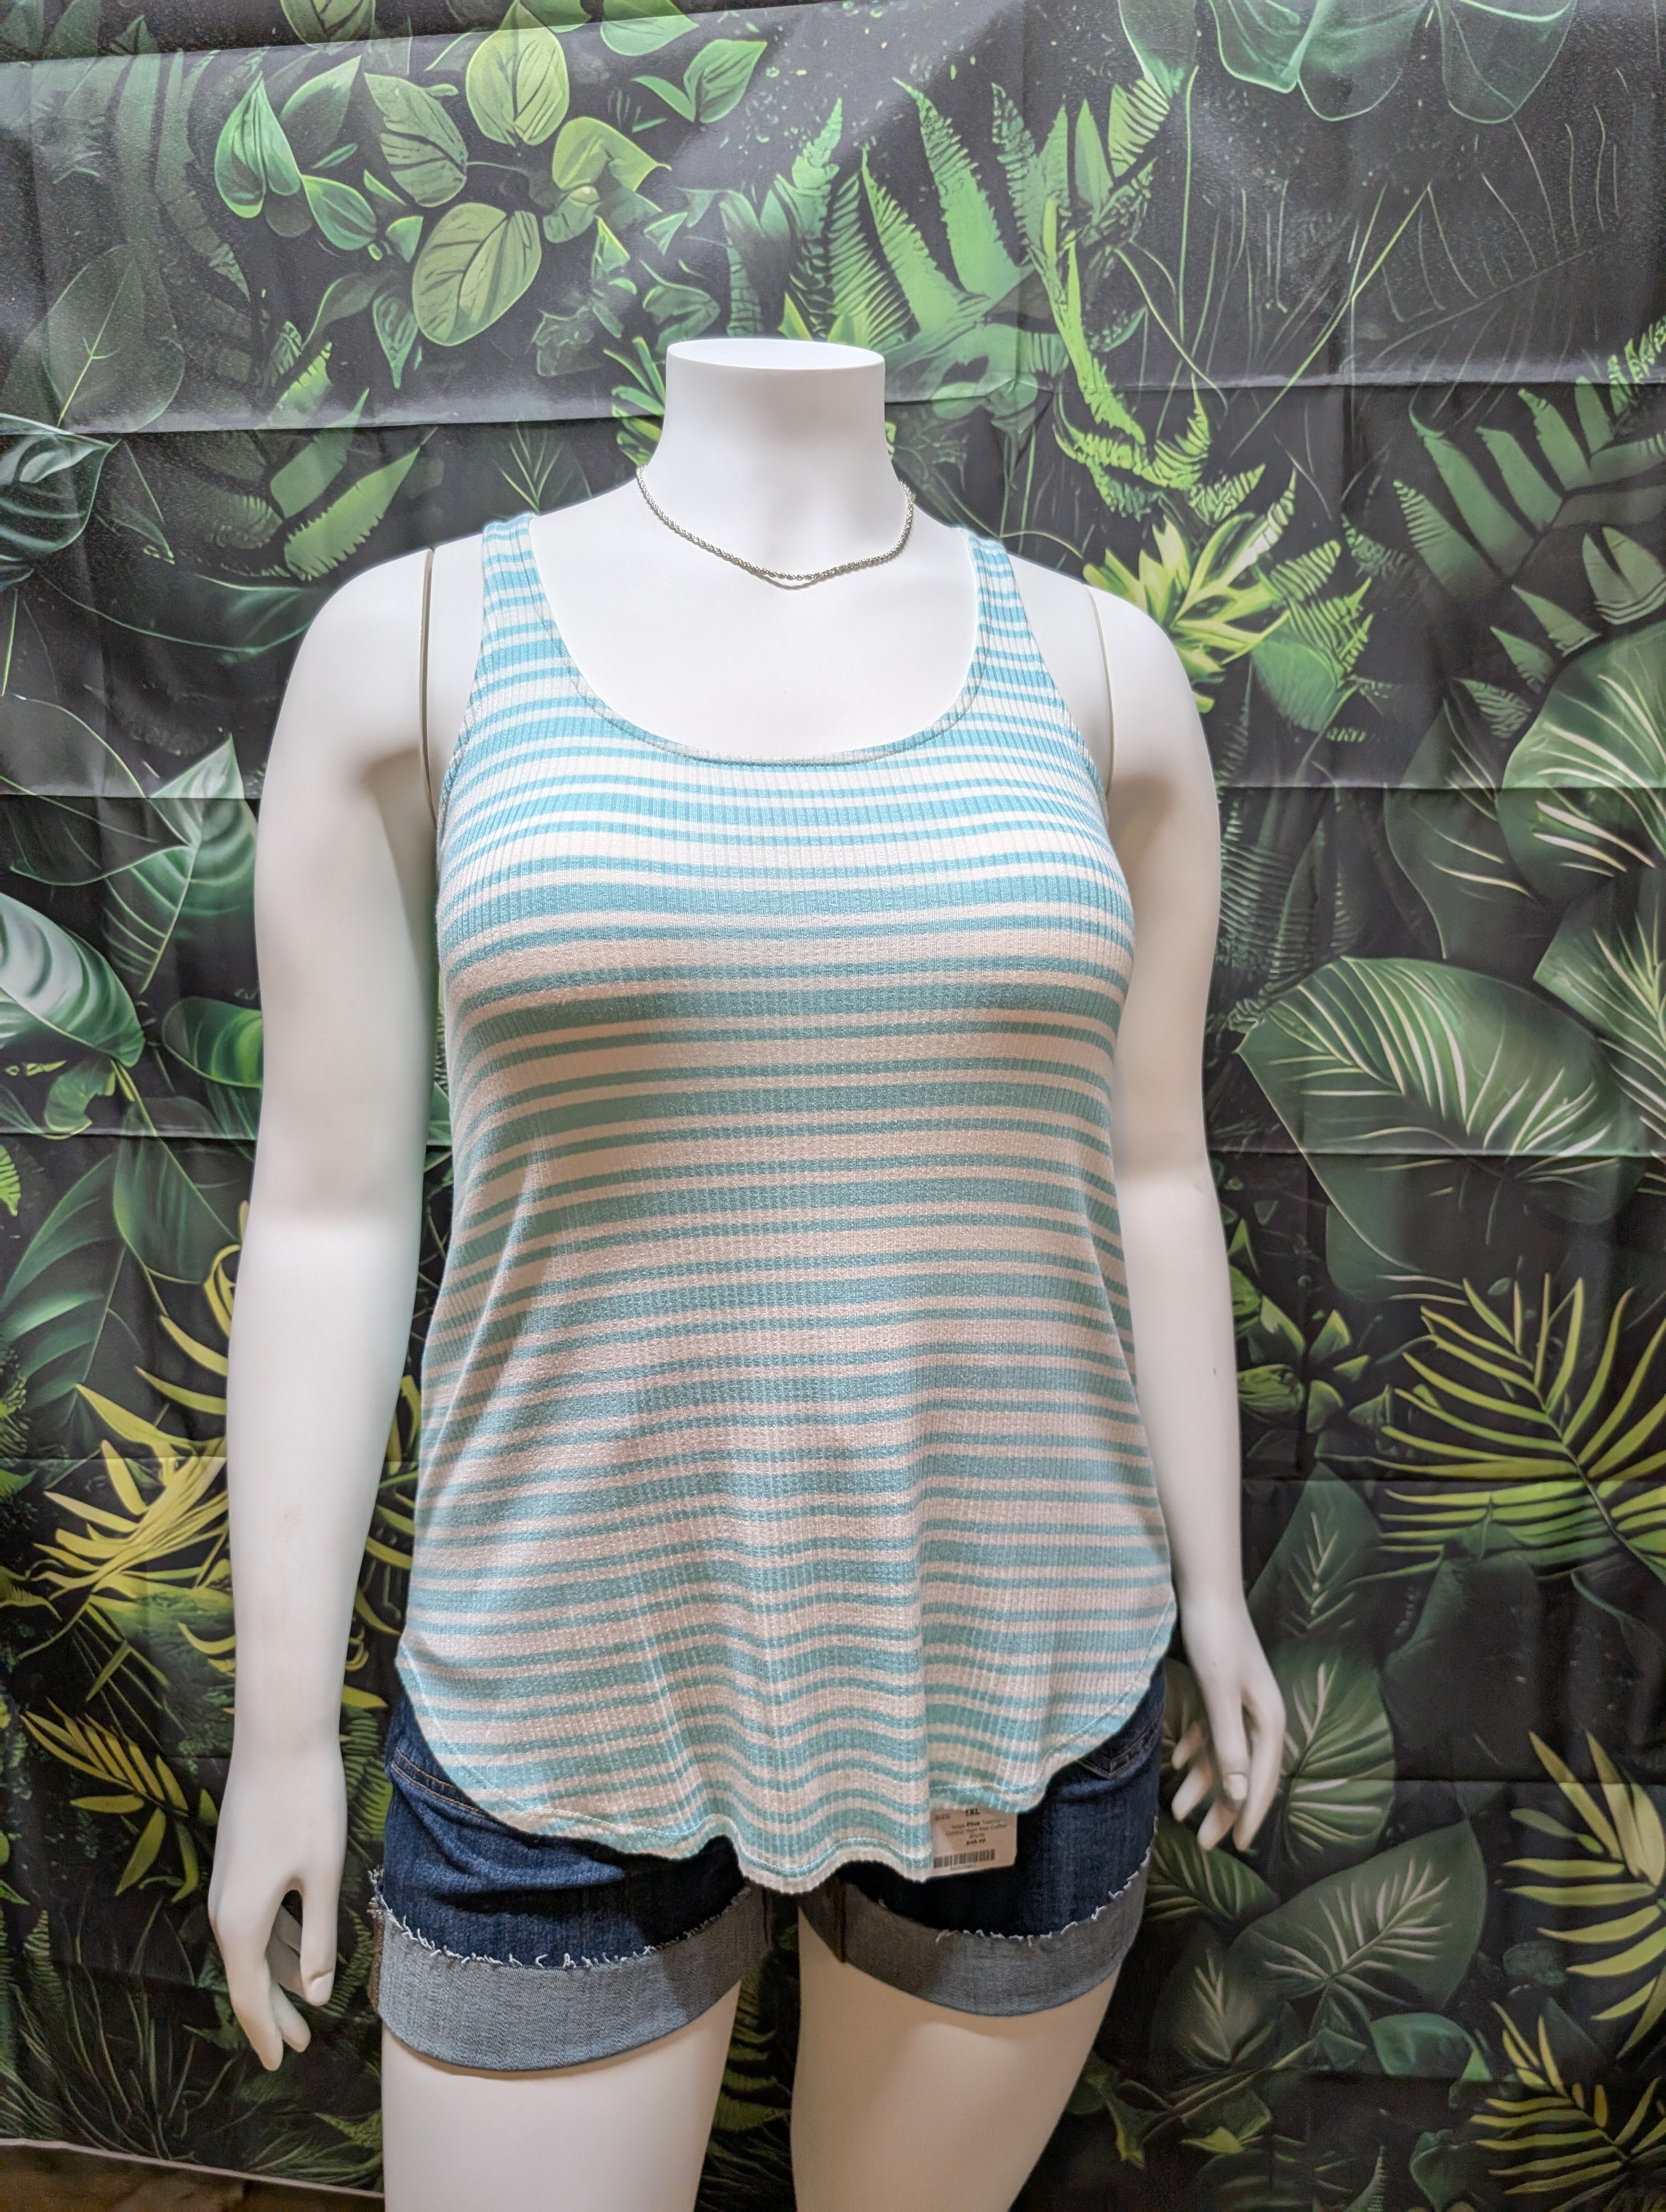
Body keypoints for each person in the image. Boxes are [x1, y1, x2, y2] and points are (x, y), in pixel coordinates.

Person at [208, 337, 1284, 2212]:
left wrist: (1219, 1591)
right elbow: (326, 1209)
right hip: (564, 1676)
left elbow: (1156, 1173)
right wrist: (281, 1726)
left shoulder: (1101, 672)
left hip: (1015, 1676)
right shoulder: (424, 646)